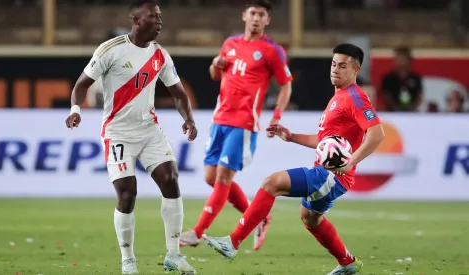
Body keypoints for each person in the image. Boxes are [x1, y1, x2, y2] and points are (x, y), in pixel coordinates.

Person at [202, 44, 386, 275]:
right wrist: (291, 137)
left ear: (356, 69)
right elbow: (323, 140)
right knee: (310, 219)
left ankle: (232, 242)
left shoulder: (356, 98)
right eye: (333, 64)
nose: (335, 70)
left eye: (342, 66)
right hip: (331, 175)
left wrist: (351, 162)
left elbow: (377, 133)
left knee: (272, 183)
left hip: (330, 175)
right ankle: (347, 262)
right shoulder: (339, 96)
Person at [64, 1, 198, 274]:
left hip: (149, 130)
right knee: (127, 194)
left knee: (171, 180)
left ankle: (173, 255)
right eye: (153, 16)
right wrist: (75, 110)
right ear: (136, 19)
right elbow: (81, 85)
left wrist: (189, 119)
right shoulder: (111, 50)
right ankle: (128, 260)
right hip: (118, 133)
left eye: (160, 17)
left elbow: (179, 94)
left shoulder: (160, 55)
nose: (159, 21)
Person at [178, 0, 292, 251]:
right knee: (211, 178)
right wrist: (214, 64)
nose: (256, 18)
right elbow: (216, 75)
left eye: (261, 15)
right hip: (220, 119)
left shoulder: (272, 50)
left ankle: (197, 232)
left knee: (222, 177)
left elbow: (286, 84)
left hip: (244, 122)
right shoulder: (230, 44)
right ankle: (259, 216)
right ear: (244, 15)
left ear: (267, 20)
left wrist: (277, 115)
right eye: (252, 13)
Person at [381, 46, 423, 112]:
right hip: (392, 113)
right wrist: (396, 109)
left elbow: (419, 95)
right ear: (395, 61)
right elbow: (386, 96)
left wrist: (412, 109)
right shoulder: (388, 78)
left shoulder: (416, 77)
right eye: (399, 59)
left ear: (410, 61)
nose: (402, 63)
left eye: (404, 59)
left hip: (413, 113)